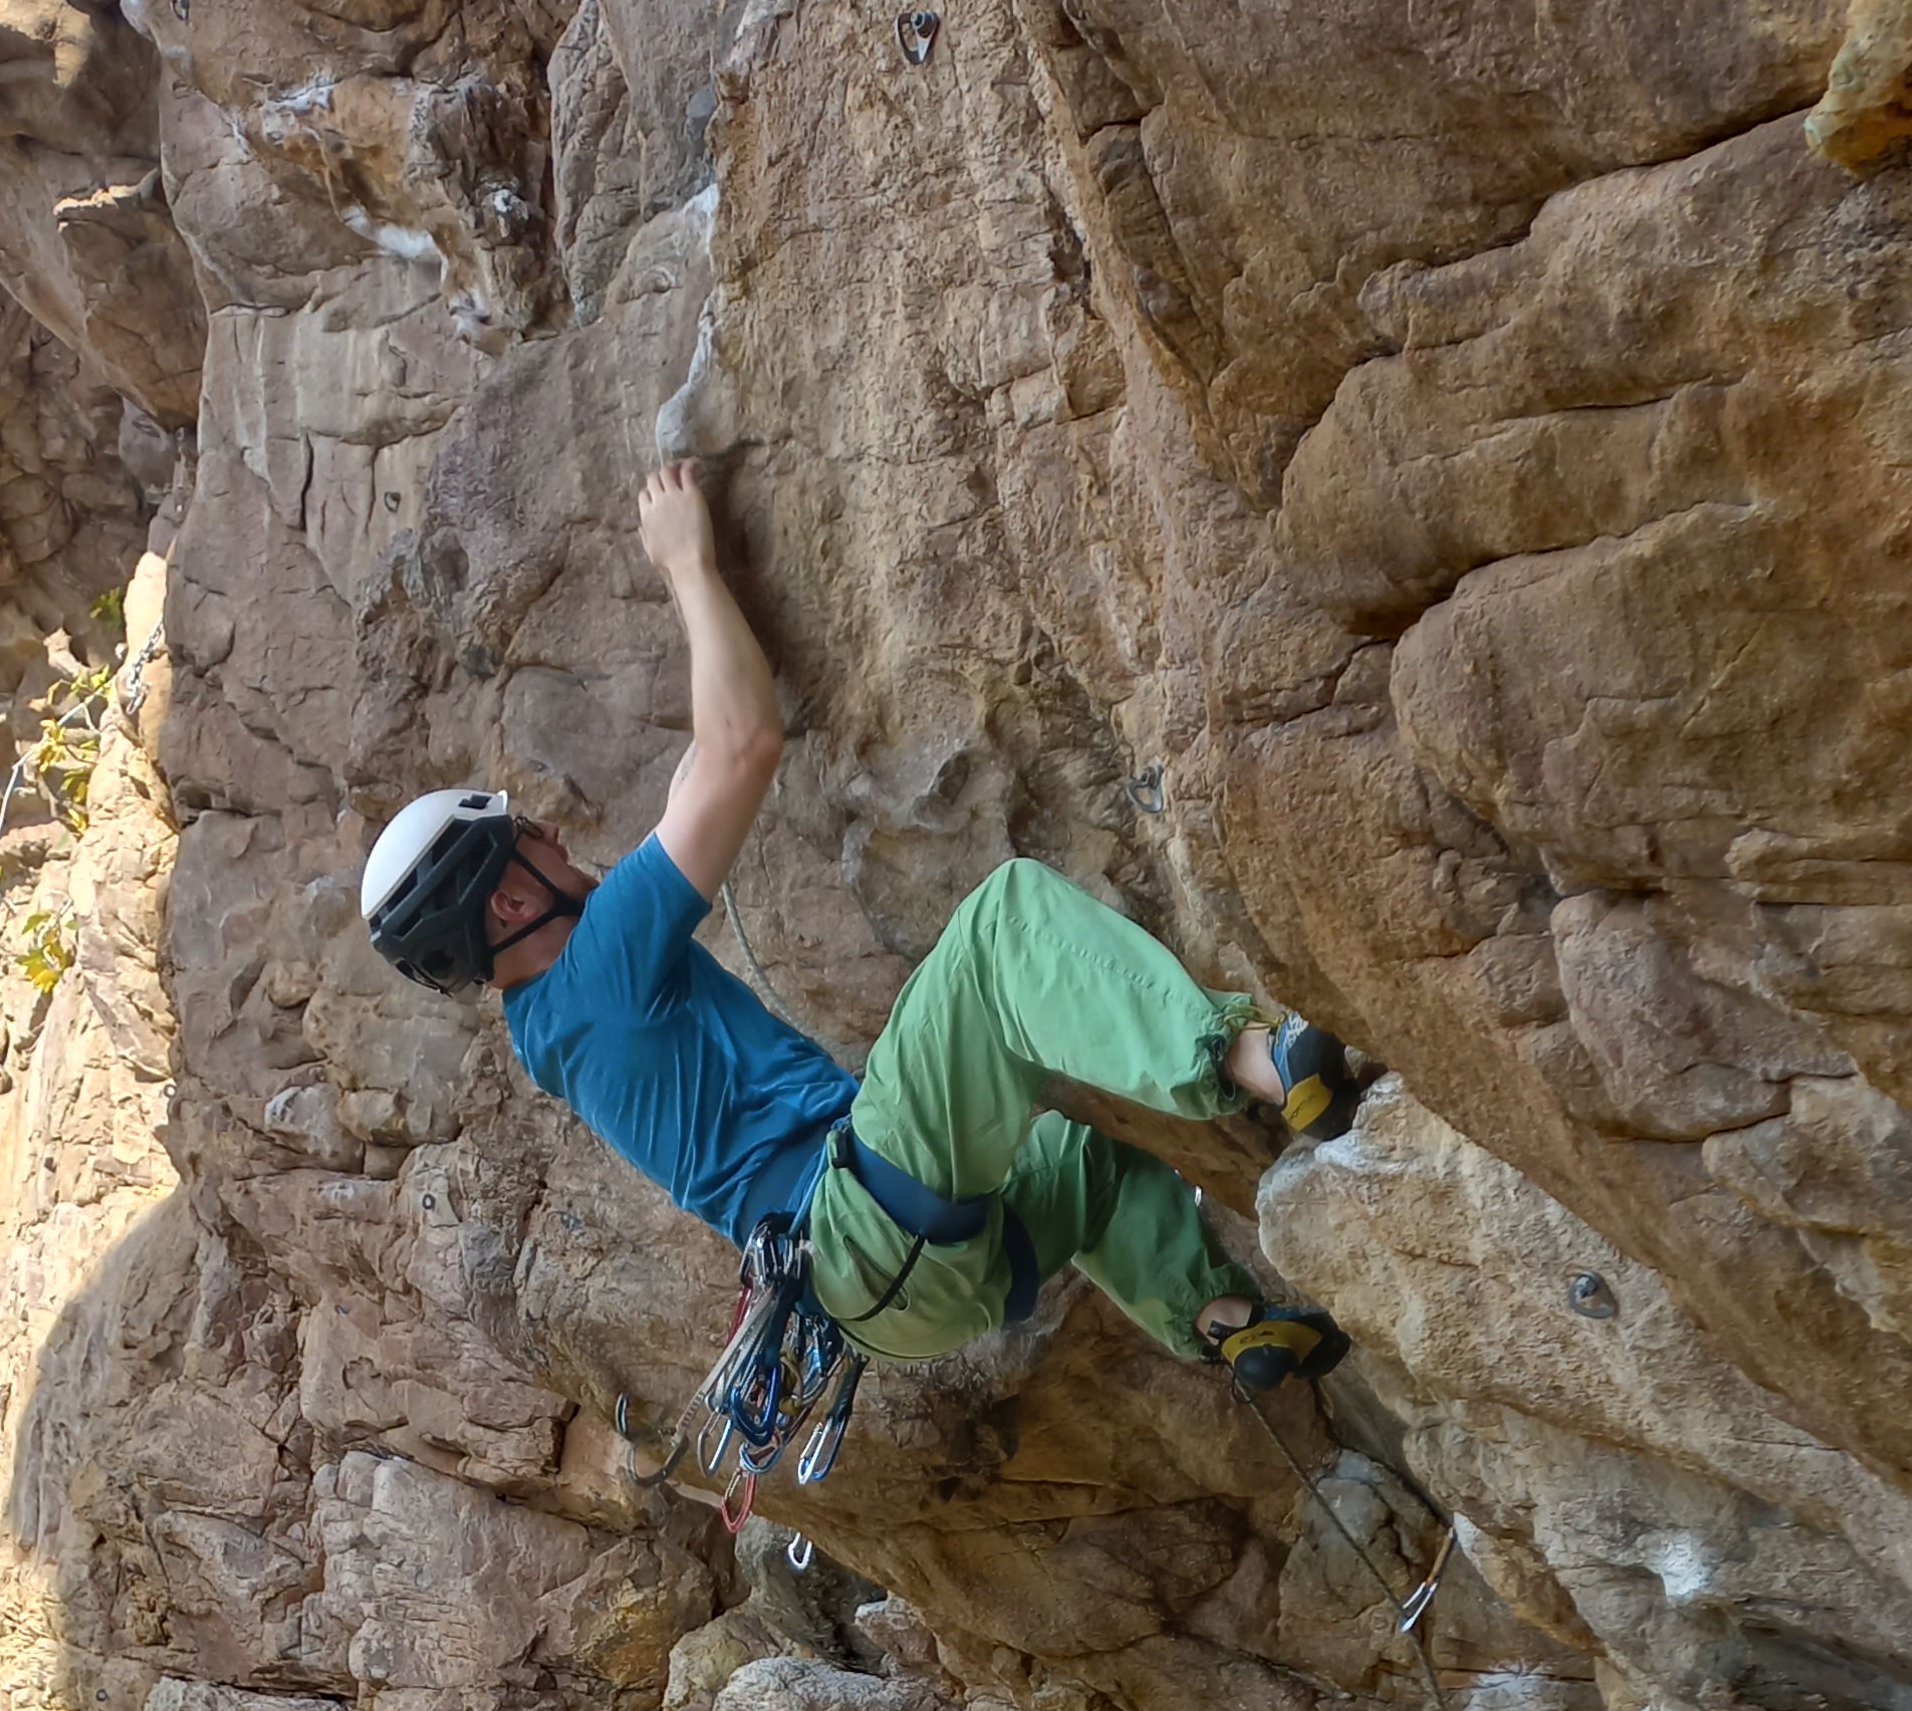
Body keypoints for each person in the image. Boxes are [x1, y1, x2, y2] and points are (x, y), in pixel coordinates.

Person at [358, 464, 1370, 1397]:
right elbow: (741, 748)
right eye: (531, 835)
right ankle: (1260, 1061)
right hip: (865, 1222)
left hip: (886, 1300)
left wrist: (705, 601)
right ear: (506, 901)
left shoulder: (554, 1028)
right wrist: (686, 564)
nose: (558, 832)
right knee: (1002, 929)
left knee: (1077, 1163)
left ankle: (1229, 1323)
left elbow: (689, 786)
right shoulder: (600, 967)